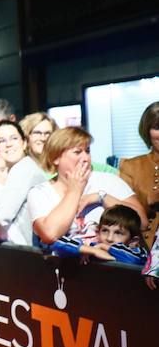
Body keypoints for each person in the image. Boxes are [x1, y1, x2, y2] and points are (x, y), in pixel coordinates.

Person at [28, 127, 147, 248]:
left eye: (87, 151)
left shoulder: (108, 181)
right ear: (56, 158)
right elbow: (49, 235)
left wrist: (101, 197)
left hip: (112, 264)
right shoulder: (40, 193)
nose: (86, 158)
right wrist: (75, 190)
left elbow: (142, 223)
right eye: (77, 152)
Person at [0, 120, 48, 246]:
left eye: (14, 138)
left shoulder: (23, 169)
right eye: (2, 141)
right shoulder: (10, 172)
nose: (8, 144)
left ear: (24, 143)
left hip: (24, 253)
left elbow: (1, 218)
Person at [119, 101, 159, 249]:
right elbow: (122, 215)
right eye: (157, 127)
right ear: (147, 130)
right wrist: (150, 200)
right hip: (142, 250)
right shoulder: (130, 166)